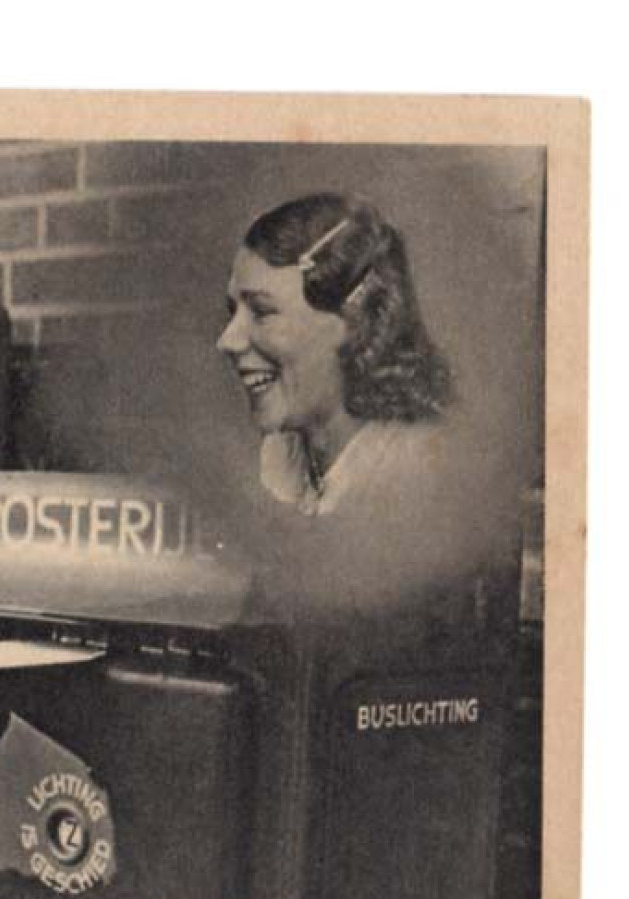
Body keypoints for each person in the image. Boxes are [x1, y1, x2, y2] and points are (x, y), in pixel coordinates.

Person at [214, 191, 505, 618]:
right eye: (232, 312)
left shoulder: (422, 477)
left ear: (355, 323)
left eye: (261, 312)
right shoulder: (282, 458)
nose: (227, 340)